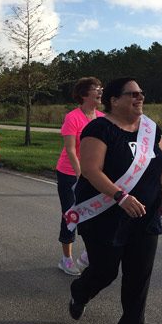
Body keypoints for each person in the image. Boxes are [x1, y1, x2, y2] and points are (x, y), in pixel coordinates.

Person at [66, 77, 162, 324]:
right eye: (133, 94)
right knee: (105, 271)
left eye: (142, 93)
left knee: (139, 275)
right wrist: (121, 197)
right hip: (105, 214)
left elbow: (158, 168)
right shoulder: (99, 128)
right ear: (114, 100)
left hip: (144, 214)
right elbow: (91, 169)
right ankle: (80, 291)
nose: (140, 98)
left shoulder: (151, 129)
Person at [55, 77, 104, 275]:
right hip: (70, 174)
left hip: (94, 174)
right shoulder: (73, 117)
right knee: (71, 215)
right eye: (95, 88)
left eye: (101, 87)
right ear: (84, 95)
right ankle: (66, 258)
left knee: (95, 214)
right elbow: (70, 149)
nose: (100, 91)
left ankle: (87, 255)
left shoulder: (101, 118)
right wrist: (80, 175)